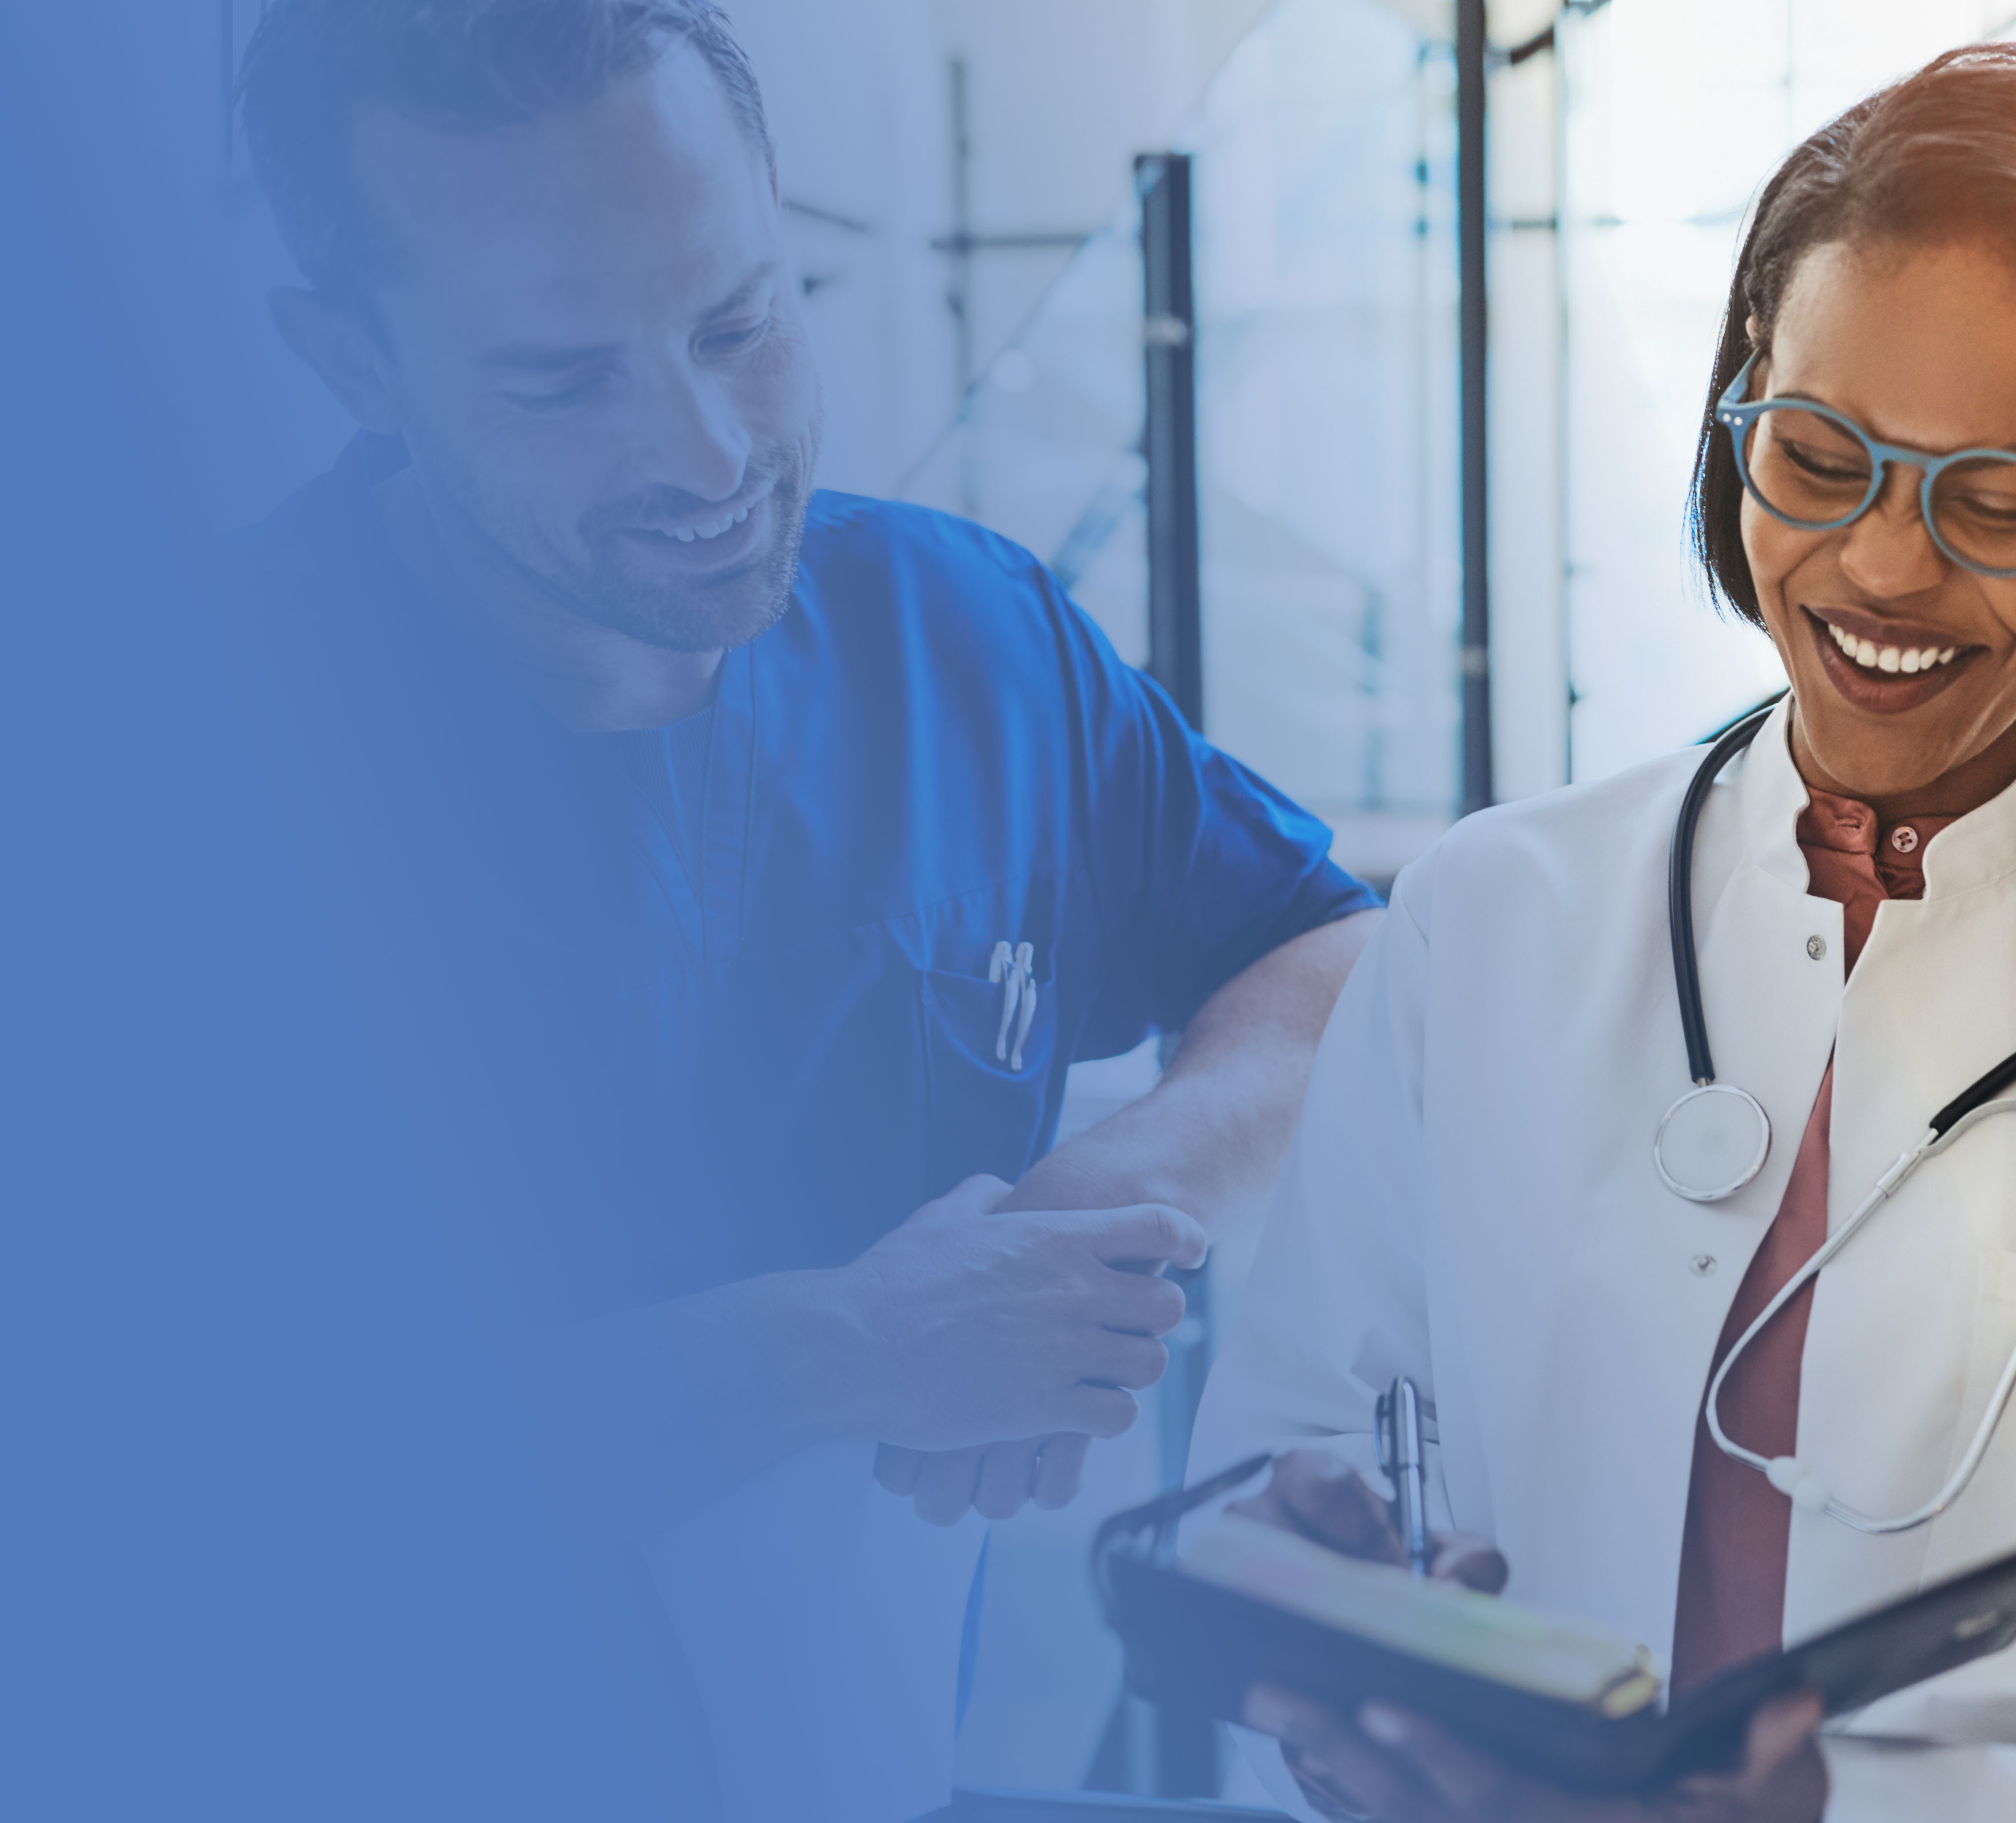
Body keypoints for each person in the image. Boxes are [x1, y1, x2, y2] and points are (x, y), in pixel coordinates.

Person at [1189, 43, 2016, 1823]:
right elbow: (1299, 1433)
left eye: (1995, 500)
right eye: (1815, 456)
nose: (1875, 568)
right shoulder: (1487, 917)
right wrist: (1304, 1602)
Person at [227, 3, 1384, 1817]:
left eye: (740, 320)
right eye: (560, 380)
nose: (703, 452)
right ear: (353, 363)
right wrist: (846, 1351)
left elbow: (1322, 957)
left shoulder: (963, 638)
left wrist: (1093, 1212)